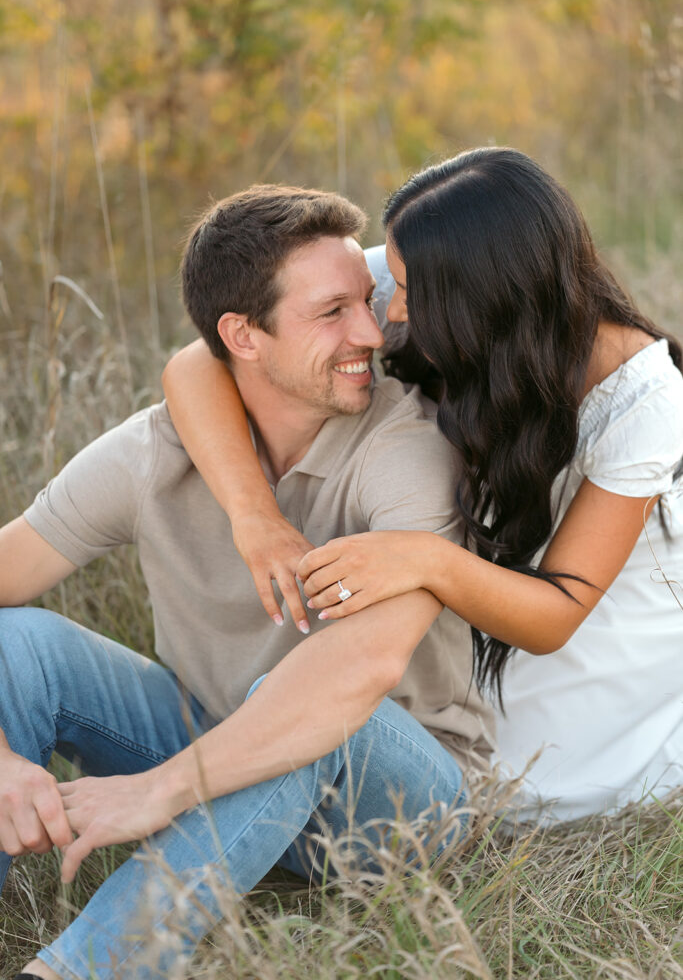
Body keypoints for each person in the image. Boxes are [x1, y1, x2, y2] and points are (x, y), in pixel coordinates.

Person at [0, 184, 494, 980]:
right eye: (331, 312)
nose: (371, 333)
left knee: (310, 704)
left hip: (397, 804)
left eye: (366, 302)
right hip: (216, 737)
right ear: (241, 336)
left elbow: (360, 668)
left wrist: (163, 789)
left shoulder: (407, 449)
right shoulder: (150, 453)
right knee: (21, 643)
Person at [162, 148, 683, 826]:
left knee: (506, 783)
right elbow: (199, 362)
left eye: (409, 292)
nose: (391, 309)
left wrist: (425, 558)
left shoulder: (642, 402)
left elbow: (557, 613)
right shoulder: (426, 269)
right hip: (485, 592)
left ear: (487, 299)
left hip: (583, 627)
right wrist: (253, 515)